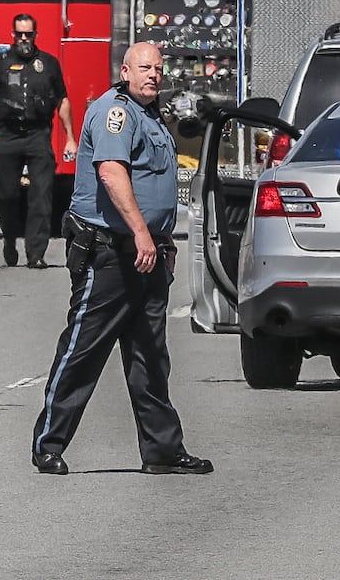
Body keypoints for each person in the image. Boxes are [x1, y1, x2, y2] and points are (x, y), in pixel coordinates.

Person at [29, 42, 211, 476]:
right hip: (111, 252)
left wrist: (159, 242)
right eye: (145, 68)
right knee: (83, 351)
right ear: (125, 70)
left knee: (150, 356)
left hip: (146, 254)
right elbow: (111, 173)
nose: (153, 75)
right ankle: (48, 444)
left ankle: (162, 450)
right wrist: (143, 234)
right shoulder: (117, 112)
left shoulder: (150, 115)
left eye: (159, 69)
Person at [0, 14, 74, 268]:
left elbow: (62, 100)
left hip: (38, 134)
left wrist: (70, 138)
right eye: (20, 34)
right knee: (7, 195)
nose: (24, 39)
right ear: (13, 35)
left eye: (28, 34)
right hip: (7, 135)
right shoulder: (0, 64)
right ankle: (9, 240)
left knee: (41, 195)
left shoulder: (48, 64)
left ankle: (36, 254)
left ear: (35, 35)